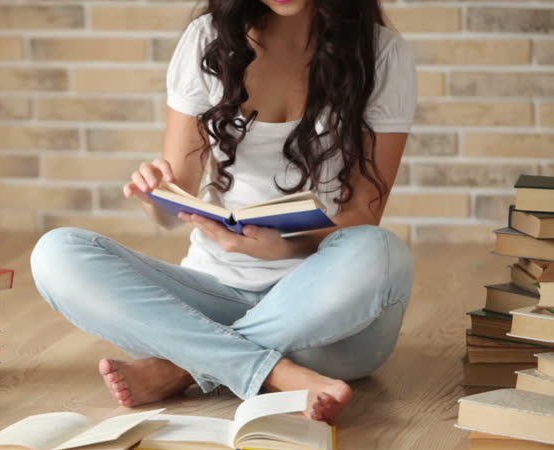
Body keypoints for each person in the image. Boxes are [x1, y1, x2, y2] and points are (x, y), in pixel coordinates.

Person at [30, 0, 416, 425]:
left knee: (380, 250)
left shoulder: (380, 52)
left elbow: (364, 212)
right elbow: (175, 206)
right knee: (56, 251)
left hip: (329, 326)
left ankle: (187, 367)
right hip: (213, 302)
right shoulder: (206, 40)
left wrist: (283, 249)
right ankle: (273, 372)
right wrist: (154, 196)